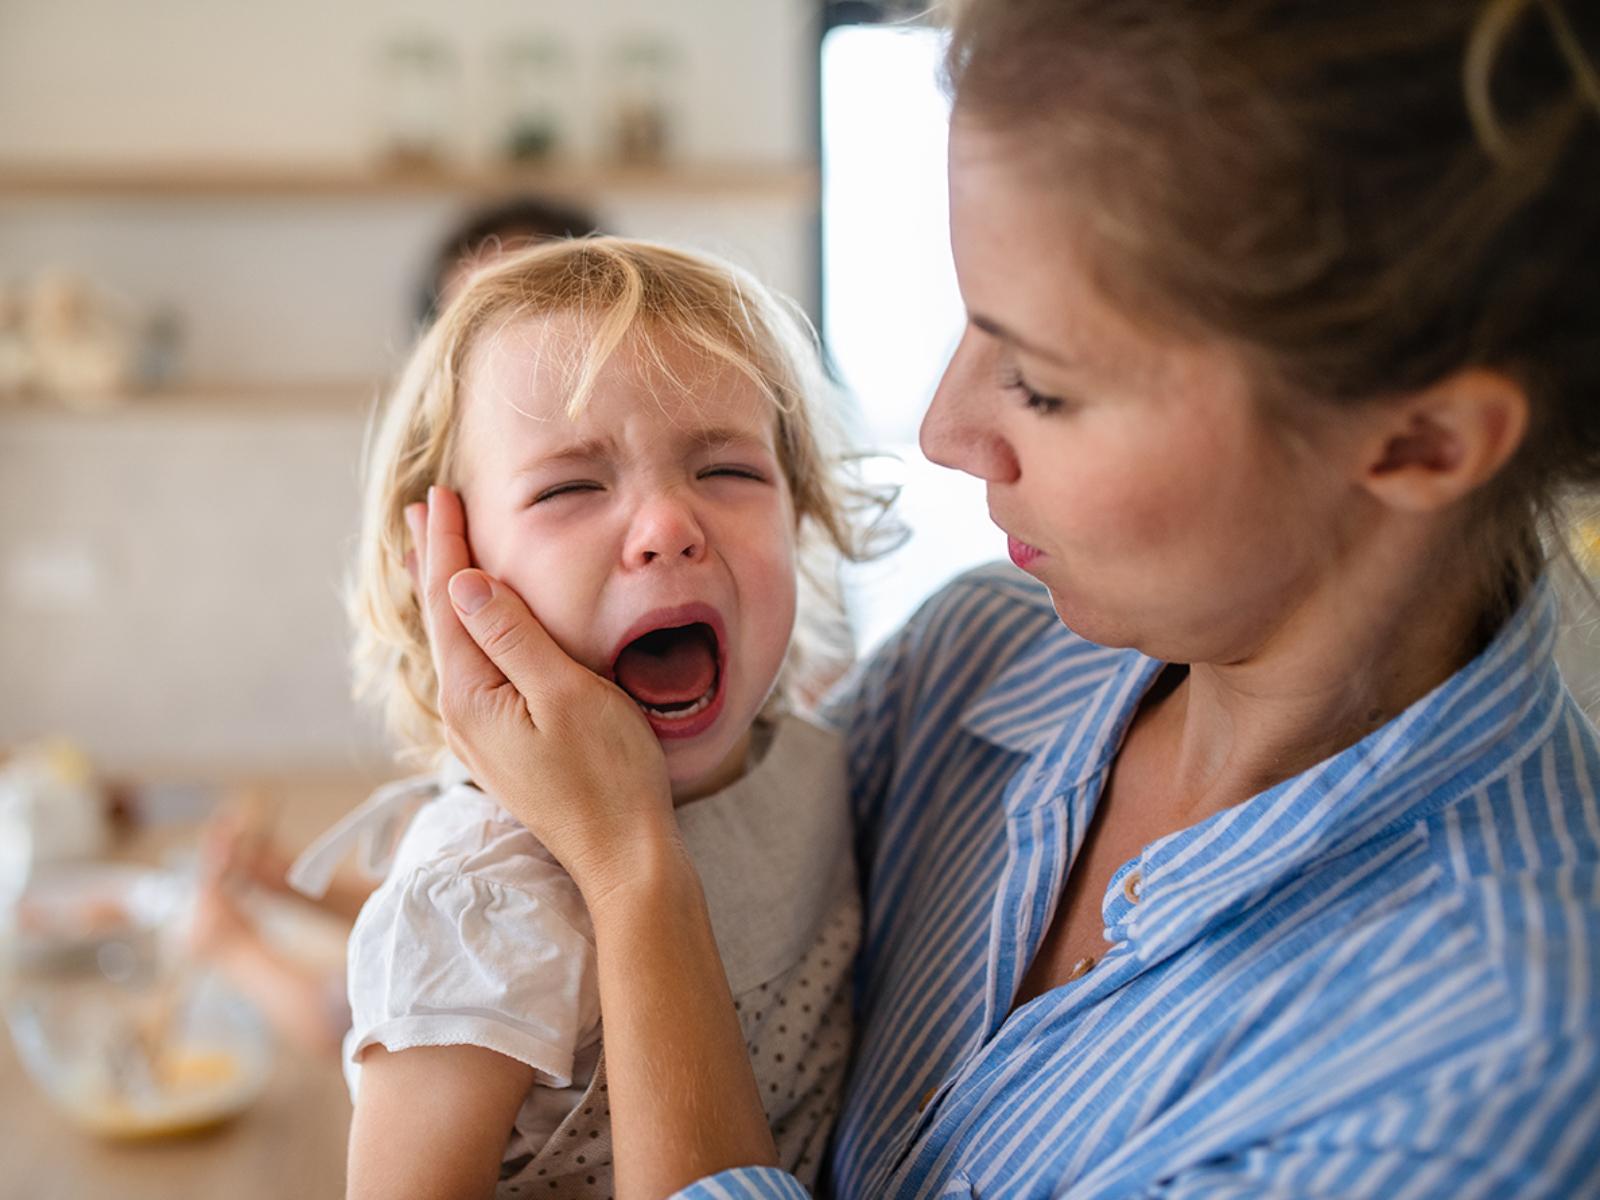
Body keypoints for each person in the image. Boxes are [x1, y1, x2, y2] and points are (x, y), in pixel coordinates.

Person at [406, 0, 1600, 1197]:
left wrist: (631, 866)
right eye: (969, 326)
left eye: (1041, 382)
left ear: (1423, 441)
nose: (943, 429)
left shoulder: (1480, 1085)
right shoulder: (976, 657)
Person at [288, 236, 881, 1198]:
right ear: (447, 572)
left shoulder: (822, 766)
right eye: (570, 487)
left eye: (728, 472)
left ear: (801, 517)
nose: (668, 529)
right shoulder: (482, 898)